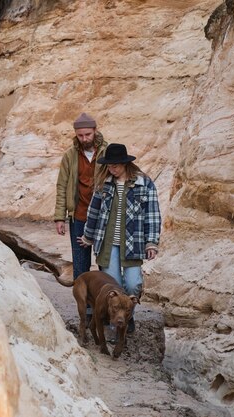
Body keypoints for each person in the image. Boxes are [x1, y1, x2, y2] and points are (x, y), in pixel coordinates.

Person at [78, 143, 161, 334]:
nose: (111, 169)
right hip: (107, 243)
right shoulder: (104, 183)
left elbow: (153, 214)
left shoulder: (144, 183)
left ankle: (128, 313)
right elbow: (94, 211)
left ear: (125, 164)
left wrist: (152, 242)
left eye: (115, 165)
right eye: (109, 165)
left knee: (133, 283)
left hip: (134, 243)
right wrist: (88, 237)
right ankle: (117, 320)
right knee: (112, 286)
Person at [54, 112, 108, 280]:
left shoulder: (107, 152)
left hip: (103, 217)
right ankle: (84, 305)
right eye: (80, 136)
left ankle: (106, 303)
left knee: (105, 264)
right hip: (78, 216)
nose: (84, 139)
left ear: (95, 131)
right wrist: (59, 218)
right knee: (80, 265)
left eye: (88, 135)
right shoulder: (70, 156)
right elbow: (62, 185)